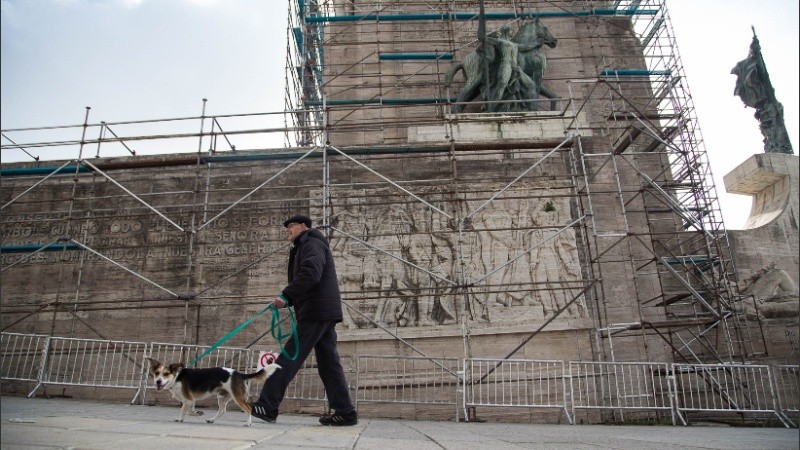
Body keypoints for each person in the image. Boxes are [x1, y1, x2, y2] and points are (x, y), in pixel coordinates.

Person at [249, 214, 358, 426]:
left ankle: (267, 405)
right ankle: (345, 412)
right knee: (328, 364)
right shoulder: (306, 245)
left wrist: (286, 295)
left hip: (316, 311)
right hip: (322, 311)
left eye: (291, 226)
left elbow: (311, 273)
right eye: (286, 227)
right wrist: (290, 300)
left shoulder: (311, 243)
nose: (287, 230)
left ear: (303, 226)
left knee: (289, 357)